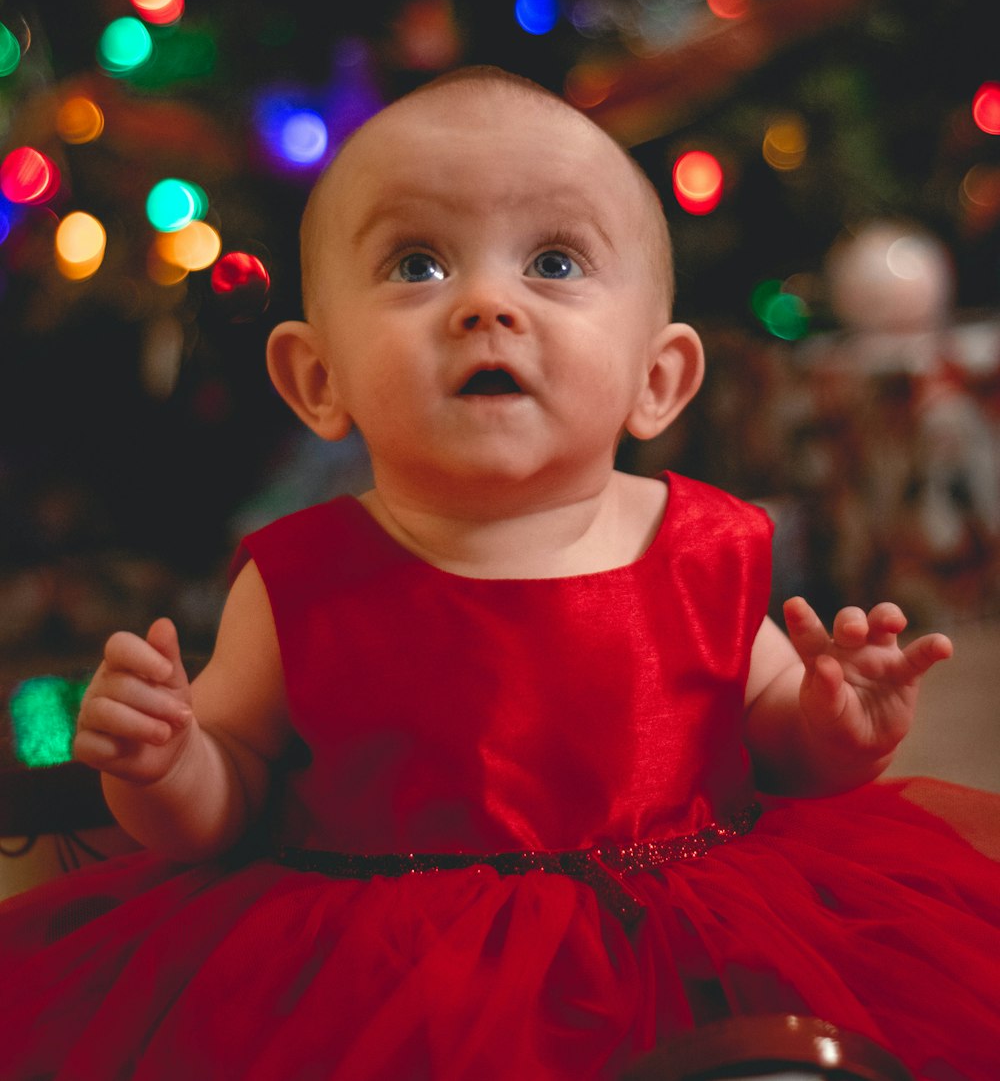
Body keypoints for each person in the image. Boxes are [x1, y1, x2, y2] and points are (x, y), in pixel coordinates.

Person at [1, 65, 998, 1081]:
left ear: (658, 380)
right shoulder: (303, 580)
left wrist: (835, 729)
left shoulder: (701, 549)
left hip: (692, 962)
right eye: (417, 264)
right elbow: (225, 797)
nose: (485, 303)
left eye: (555, 262)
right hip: (380, 994)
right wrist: (165, 766)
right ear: (318, 378)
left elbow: (779, 746)